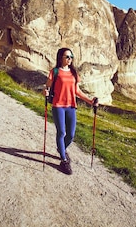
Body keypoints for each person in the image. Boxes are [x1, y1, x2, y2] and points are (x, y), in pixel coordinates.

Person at [44, 47, 98, 175]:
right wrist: (45, 92)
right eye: (67, 57)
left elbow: (77, 91)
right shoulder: (55, 72)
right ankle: (63, 160)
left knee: (71, 135)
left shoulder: (74, 73)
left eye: (71, 57)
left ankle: (61, 149)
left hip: (71, 106)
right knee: (61, 132)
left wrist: (90, 100)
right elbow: (47, 86)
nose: (70, 59)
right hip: (58, 106)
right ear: (60, 58)